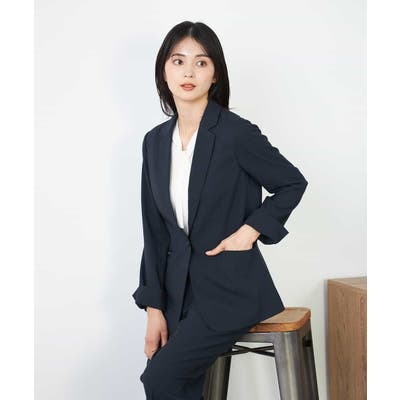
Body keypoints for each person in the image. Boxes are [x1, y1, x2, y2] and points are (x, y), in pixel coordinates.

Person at [132, 21, 308, 400]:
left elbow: (291, 183)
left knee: (160, 379)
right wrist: (153, 308)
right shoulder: (154, 142)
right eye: (178, 61)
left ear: (215, 75)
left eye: (201, 63)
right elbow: (155, 231)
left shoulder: (235, 133)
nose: (189, 72)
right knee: (171, 384)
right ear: (164, 71)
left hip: (229, 291)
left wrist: (250, 231)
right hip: (177, 294)